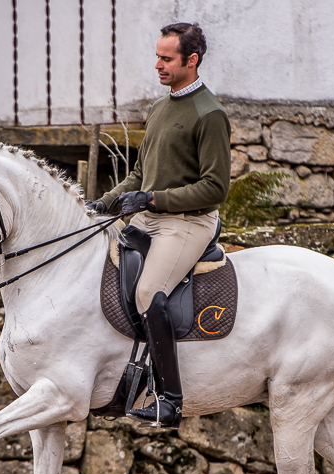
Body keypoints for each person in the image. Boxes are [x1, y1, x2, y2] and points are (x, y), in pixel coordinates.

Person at [88, 22, 231, 428]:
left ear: (192, 60)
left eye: (166, 58)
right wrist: (107, 200)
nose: (158, 65)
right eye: (157, 56)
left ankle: (169, 400)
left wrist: (153, 199)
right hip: (149, 217)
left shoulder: (211, 114)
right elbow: (140, 174)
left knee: (150, 290)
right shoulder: (159, 107)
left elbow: (215, 188)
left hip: (187, 224)